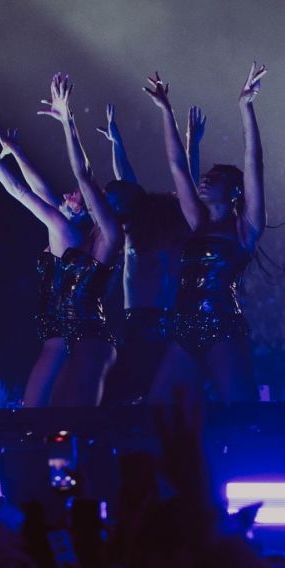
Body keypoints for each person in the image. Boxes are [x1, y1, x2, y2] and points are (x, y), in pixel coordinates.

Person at [0, 107, 102, 408]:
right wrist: (16, 152)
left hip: (63, 333)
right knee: (52, 409)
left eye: (74, 197)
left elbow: (20, 191)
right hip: (65, 330)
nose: (67, 196)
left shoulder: (67, 232)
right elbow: (41, 190)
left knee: (37, 411)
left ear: (83, 212)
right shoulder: (68, 230)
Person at [145, 64, 267, 404]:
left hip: (222, 327)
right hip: (184, 328)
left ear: (234, 192)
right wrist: (166, 110)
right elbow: (177, 166)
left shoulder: (245, 228)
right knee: (158, 412)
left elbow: (254, 161)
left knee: (241, 413)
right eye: (206, 175)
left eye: (216, 178)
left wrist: (246, 108)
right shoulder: (197, 220)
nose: (205, 179)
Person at [34, 72, 125, 405]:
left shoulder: (112, 233)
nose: (96, 197)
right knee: (42, 417)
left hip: (89, 336)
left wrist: (68, 121)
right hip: (63, 333)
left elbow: (84, 176)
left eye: (107, 198)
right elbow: (43, 192)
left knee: (71, 419)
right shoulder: (86, 236)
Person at [94, 101, 191, 402]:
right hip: (143, 322)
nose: (107, 206)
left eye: (112, 201)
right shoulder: (135, 229)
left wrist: (192, 146)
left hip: (155, 322)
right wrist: (117, 143)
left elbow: (131, 185)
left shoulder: (149, 229)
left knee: (152, 394)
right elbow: (126, 183)